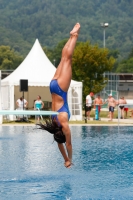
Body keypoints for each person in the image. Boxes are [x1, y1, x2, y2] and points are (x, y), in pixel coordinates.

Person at [38, 23, 80, 168]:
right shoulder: (55, 126)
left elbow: (68, 144)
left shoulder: (63, 125)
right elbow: (60, 144)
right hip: (53, 86)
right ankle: (71, 36)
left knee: (67, 59)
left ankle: (74, 36)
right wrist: (65, 159)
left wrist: (70, 158)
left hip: (61, 89)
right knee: (63, 58)